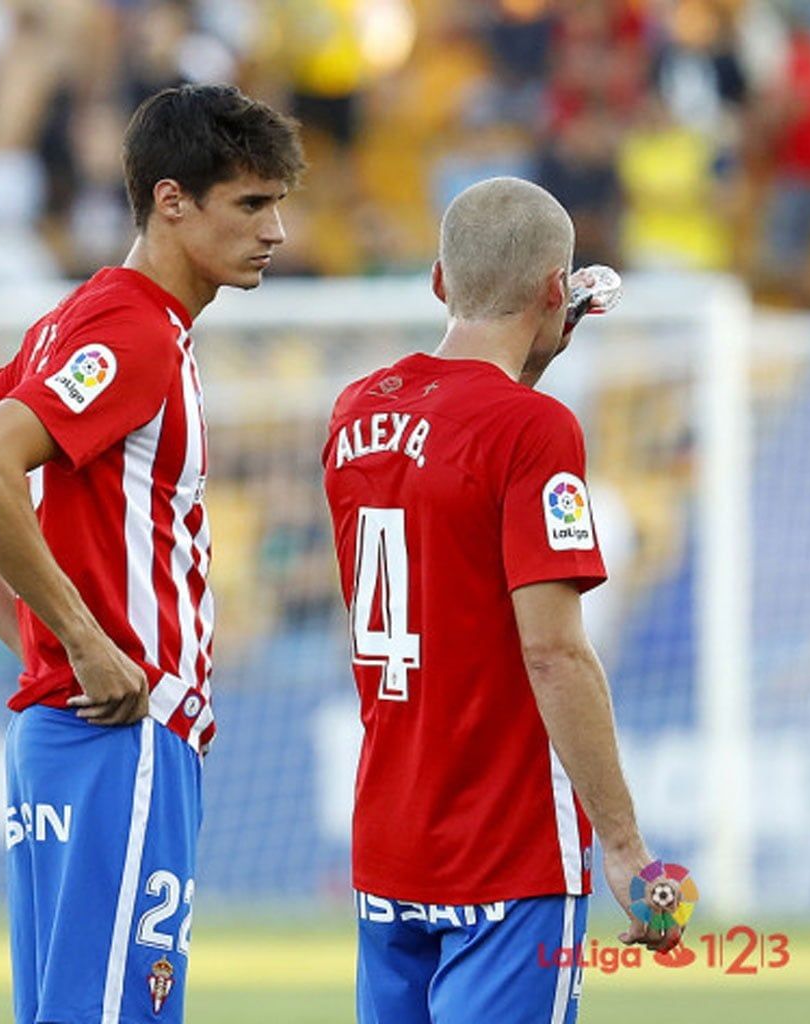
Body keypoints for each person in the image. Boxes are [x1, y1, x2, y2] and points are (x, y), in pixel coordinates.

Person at [0, 84, 303, 1024]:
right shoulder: (133, 334)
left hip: (64, 735)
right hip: (122, 737)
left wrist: (47, 643)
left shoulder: (72, 322)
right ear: (171, 200)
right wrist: (78, 639)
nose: (275, 230)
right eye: (250, 203)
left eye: (277, 204)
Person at [320, 176, 679, 1024]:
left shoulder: (353, 410)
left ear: (440, 280)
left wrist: (530, 356)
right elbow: (554, 651)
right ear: (560, 289)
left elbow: (450, 454)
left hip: (389, 840)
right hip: (507, 847)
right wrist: (624, 848)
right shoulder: (535, 429)